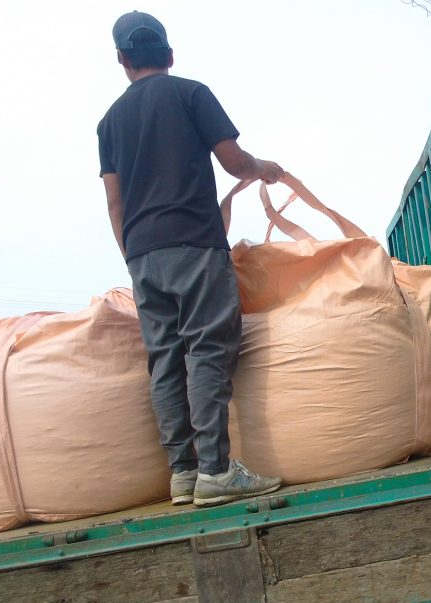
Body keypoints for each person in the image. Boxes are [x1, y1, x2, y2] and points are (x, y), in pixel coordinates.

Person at [98, 11, 282, 507]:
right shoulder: (190, 93)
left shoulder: (109, 122)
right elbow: (234, 162)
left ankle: (182, 474)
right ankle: (216, 473)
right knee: (208, 348)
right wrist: (266, 170)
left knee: (164, 360)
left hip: (142, 254)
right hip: (194, 244)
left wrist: (135, 256)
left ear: (123, 60)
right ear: (169, 54)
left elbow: (114, 204)